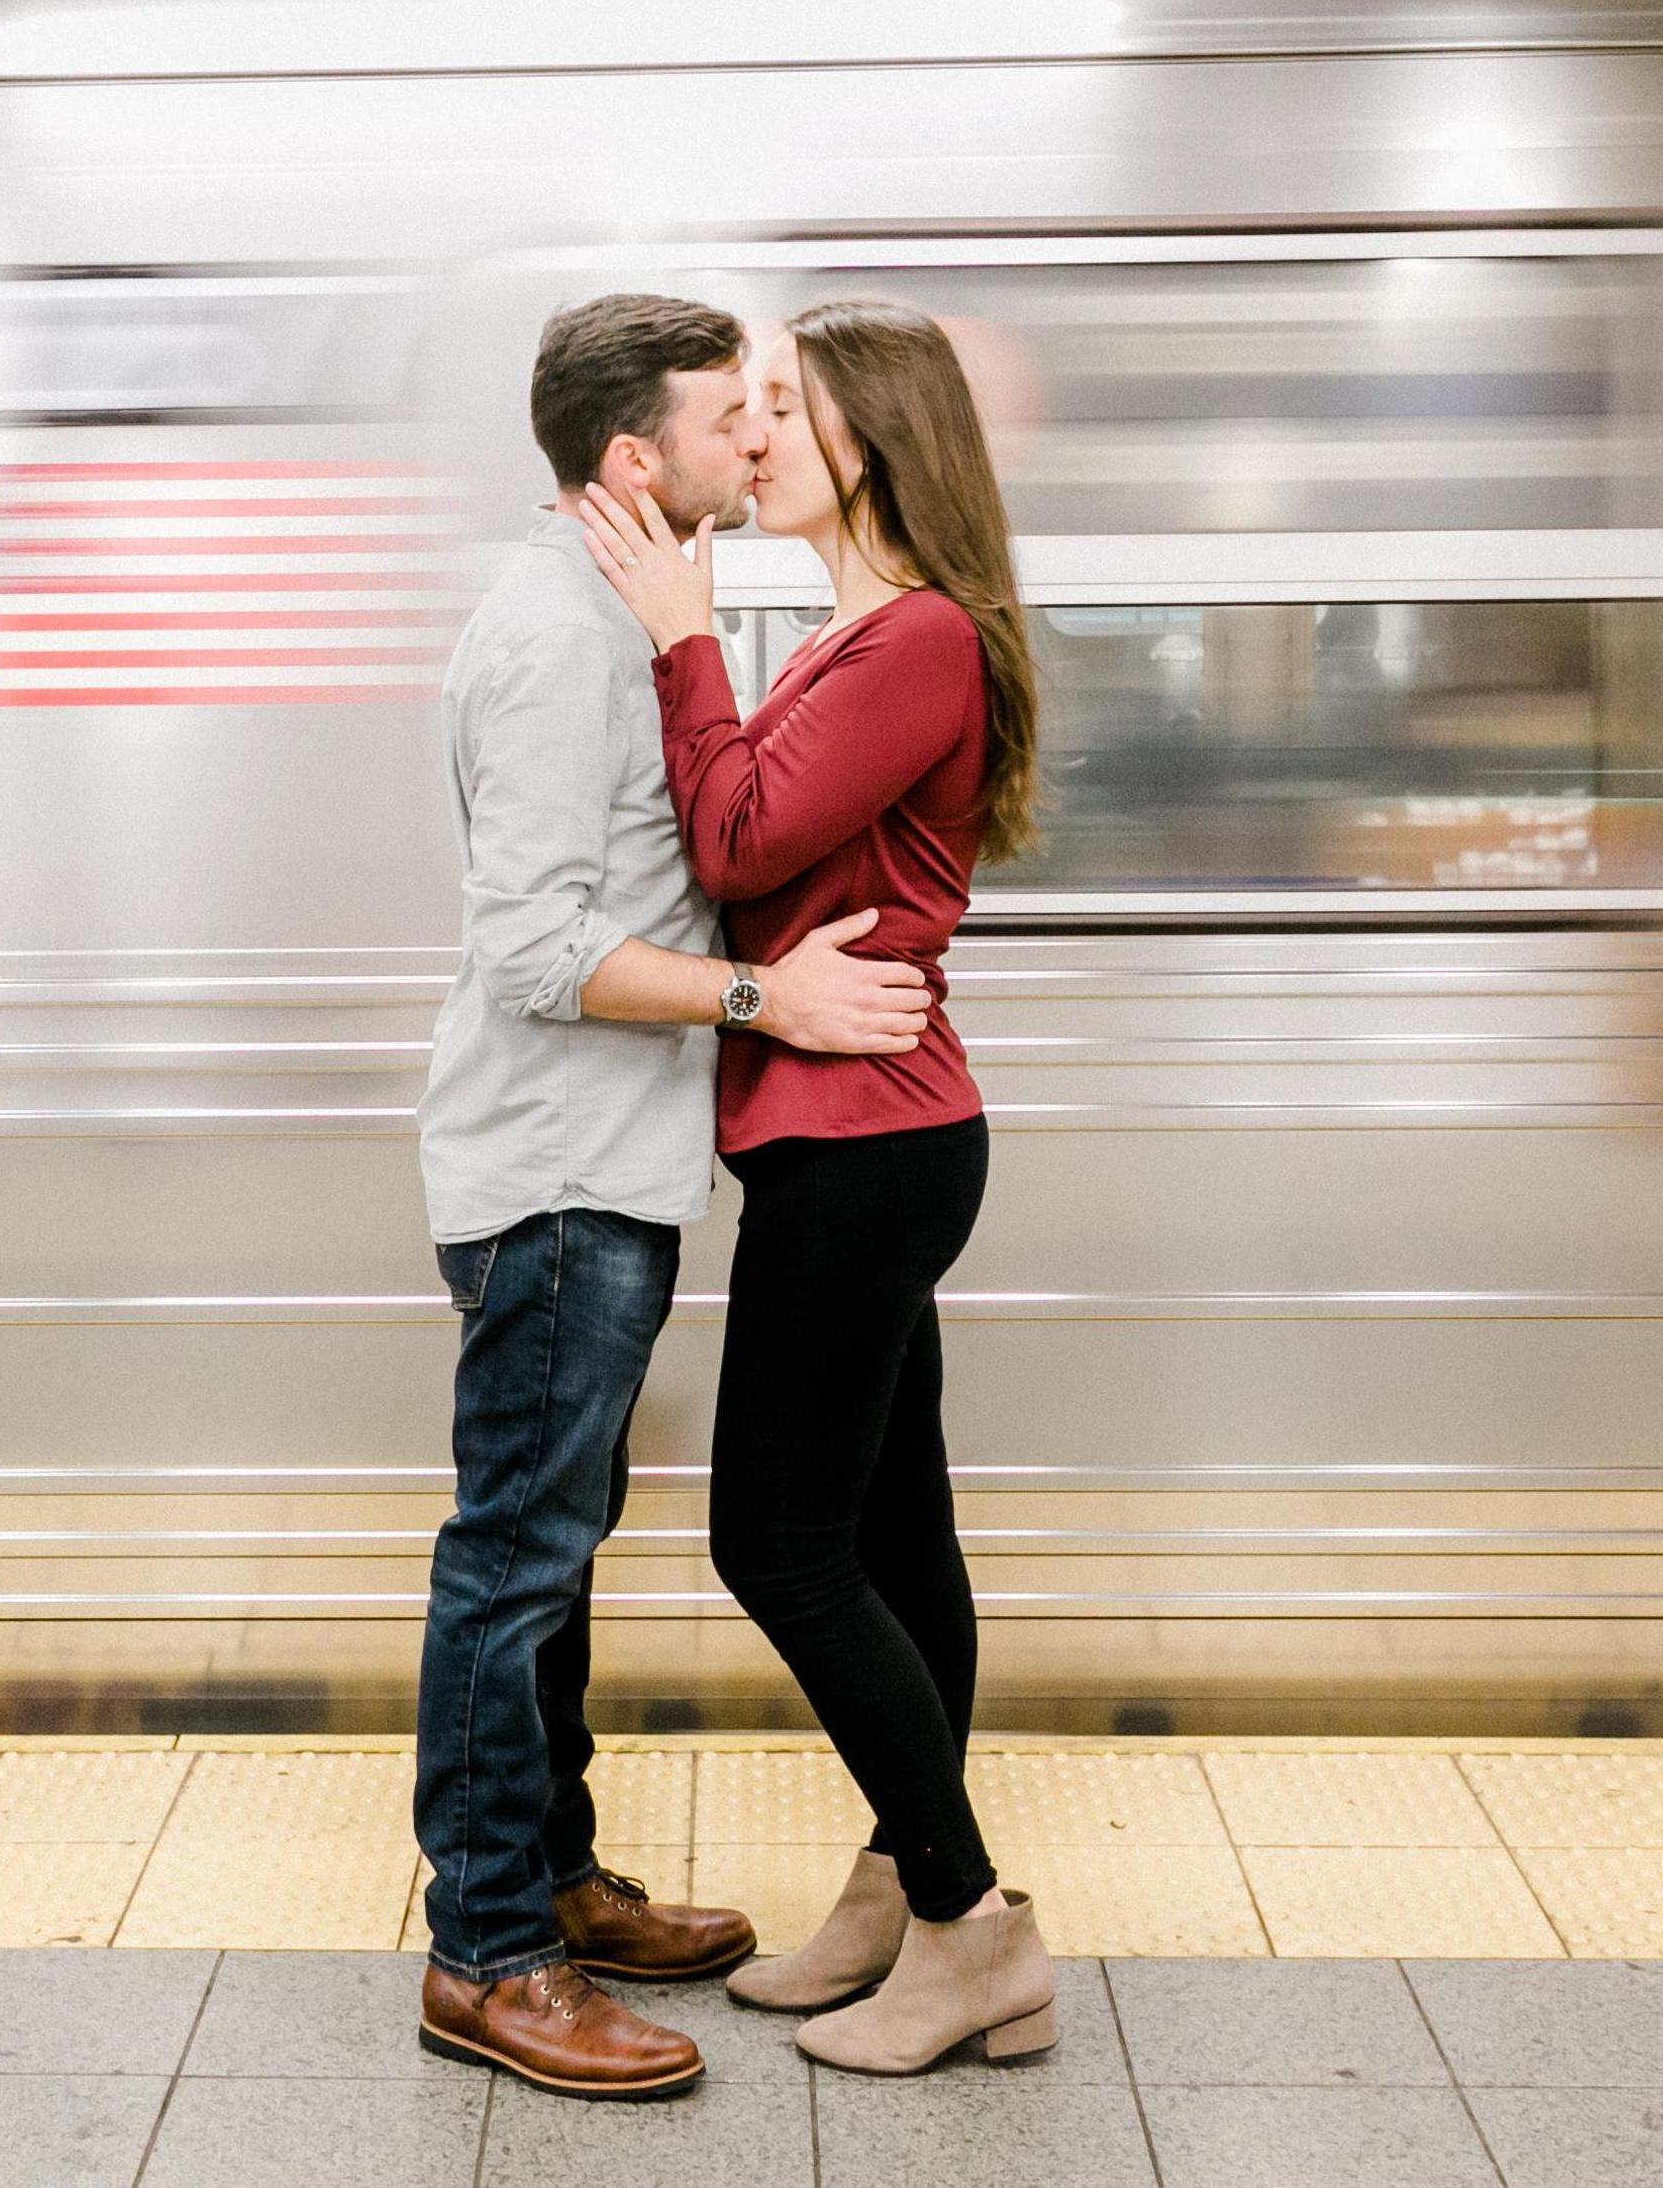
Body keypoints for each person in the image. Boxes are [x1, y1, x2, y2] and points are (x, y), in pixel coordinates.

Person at [413, 293, 935, 2100]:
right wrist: (761, 998)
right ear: (637, 457)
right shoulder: (564, 643)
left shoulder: (615, 615)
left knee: (552, 1555)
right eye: (735, 416)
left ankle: (549, 1877)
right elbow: (539, 949)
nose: (760, 439)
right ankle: (489, 1953)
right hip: (557, 1167)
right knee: (516, 1558)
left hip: (599, 1167)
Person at [577, 297, 1057, 2077]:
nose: (757, 431)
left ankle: (965, 1919)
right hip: (858, 1137)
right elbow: (761, 857)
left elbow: (738, 843)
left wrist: (683, 641)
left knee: (772, 1536)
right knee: (891, 1532)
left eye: (788, 405)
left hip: (865, 1150)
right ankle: (890, 1893)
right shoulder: (863, 638)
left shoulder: (913, 638)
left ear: (877, 439)